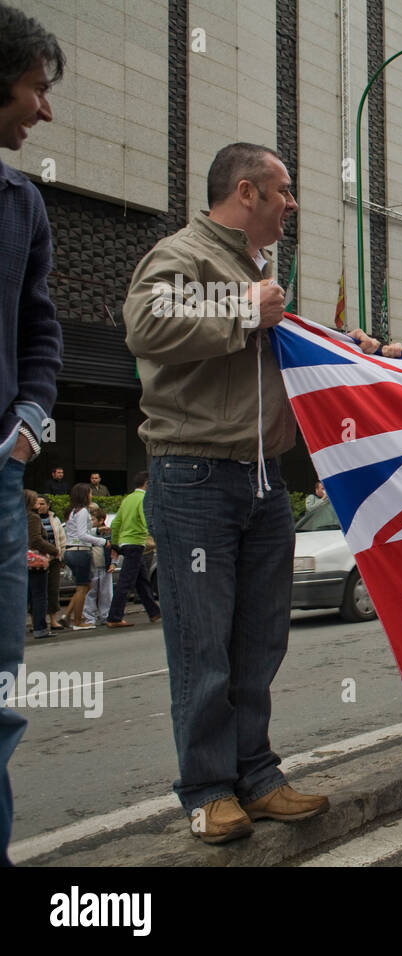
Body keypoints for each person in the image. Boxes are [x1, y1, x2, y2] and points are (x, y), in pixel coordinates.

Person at [122, 141, 329, 844]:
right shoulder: (185, 253)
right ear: (248, 193)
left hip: (263, 481)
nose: (292, 204)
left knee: (260, 640)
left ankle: (258, 777)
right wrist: (244, 306)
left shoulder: (259, 267)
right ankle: (208, 790)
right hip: (196, 474)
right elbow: (145, 326)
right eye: (284, 191)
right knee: (202, 642)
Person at [0, 1, 64, 865]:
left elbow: (40, 330)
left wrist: (28, 425)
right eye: (35, 89)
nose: (45, 110)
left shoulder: (24, 205)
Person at [106, 470, 159, 628]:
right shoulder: (144, 498)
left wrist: (115, 544)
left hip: (125, 543)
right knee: (126, 582)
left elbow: (115, 524)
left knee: (142, 580)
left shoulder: (128, 499)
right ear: (147, 484)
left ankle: (154, 612)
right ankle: (114, 616)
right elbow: (146, 520)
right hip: (137, 543)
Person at [58, 483, 102, 629]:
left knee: (84, 586)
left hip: (70, 551)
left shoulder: (71, 511)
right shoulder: (83, 511)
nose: (91, 496)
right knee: (83, 587)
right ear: (84, 495)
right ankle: (78, 621)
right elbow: (83, 535)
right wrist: (101, 541)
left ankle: (67, 614)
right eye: (90, 493)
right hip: (81, 551)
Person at [26, 490, 57, 639]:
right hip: (34, 562)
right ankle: (40, 628)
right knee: (39, 596)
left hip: (19, 560)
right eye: (36, 500)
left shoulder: (15, 516)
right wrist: (54, 550)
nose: (38, 503)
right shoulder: (32, 517)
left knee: (26, 596)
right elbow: (35, 540)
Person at [34, 493, 65, 628]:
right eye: (37, 503)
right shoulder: (32, 519)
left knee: (53, 590)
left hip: (54, 560)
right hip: (37, 561)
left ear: (48, 505)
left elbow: (62, 539)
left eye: (42, 504)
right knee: (37, 592)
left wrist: (61, 555)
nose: (39, 506)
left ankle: (53, 620)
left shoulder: (55, 519)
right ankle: (37, 622)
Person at [82, 503, 114, 626]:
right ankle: (89, 617)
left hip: (105, 566)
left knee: (106, 593)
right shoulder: (88, 532)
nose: (91, 522)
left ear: (101, 521)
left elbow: (113, 550)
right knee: (91, 592)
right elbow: (87, 535)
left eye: (93, 520)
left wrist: (113, 564)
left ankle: (106, 615)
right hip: (92, 567)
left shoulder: (108, 533)